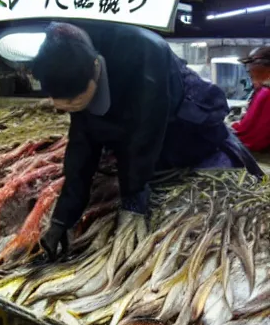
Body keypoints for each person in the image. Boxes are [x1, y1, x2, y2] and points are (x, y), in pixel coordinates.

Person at [31, 22, 263, 260]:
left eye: (77, 100)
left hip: (190, 133)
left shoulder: (142, 51)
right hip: (150, 149)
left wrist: (132, 201)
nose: (72, 108)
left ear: (96, 68)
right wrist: (63, 218)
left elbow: (143, 133)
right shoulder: (71, 61)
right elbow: (81, 146)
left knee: (221, 209)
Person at [232, 46, 270, 153]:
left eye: (252, 65)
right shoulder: (262, 91)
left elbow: (254, 141)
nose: (249, 70)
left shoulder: (266, 93)